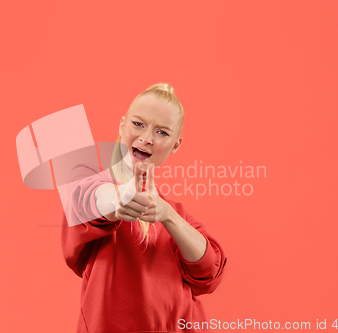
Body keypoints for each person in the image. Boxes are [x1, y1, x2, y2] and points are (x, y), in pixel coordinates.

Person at [61, 83, 227, 333]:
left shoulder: (174, 211)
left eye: (162, 132)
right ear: (122, 125)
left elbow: (209, 270)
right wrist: (122, 198)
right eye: (138, 124)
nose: (147, 138)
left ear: (175, 146)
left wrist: (168, 215)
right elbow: (93, 202)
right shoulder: (90, 183)